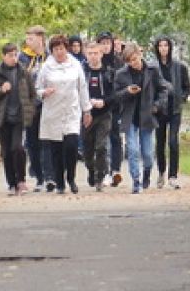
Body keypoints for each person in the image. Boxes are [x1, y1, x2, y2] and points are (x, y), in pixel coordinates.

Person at [34, 35, 91, 193]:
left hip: (71, 111)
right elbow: (37, 88)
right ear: (51, 51)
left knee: (72, 146)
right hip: (53, 112)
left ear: (66, 49)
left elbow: (82, 88)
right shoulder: (47, 66)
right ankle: (59, 182)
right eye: (56, 49)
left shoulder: (75, 64)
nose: (59, 52)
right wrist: (44, 92)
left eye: (62, 48)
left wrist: (86, 110)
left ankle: (71, 178)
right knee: (56, 150)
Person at [114, 45, 168, 193]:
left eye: (135, 59)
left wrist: (157, 106)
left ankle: (147, 173)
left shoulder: (152, 70)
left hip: (147, 115)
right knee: (132, 150)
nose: (133, 63)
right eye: (130, 61)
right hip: (130, 116)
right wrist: (127, 91)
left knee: (148, 154)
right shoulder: (121, 74)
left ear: (140, 55)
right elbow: (116, 96)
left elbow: (163, 89)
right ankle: (135, 180)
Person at [0, 42, 35, 193]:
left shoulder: (24, 72)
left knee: (17, 148)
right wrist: (1, 90)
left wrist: (30, 110)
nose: (14, 58)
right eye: (10, 55)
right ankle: (11, 182)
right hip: (2, 118)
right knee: (6, 151)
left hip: (19, 117)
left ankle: (21, 180)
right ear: (3, 56)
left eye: (16, 55)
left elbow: (32, 94)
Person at [153, 37, 190, 189]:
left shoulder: (179, 67)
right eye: (160, 46)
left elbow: (187, 87)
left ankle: (173, 175)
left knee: (173, 141)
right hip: (159, 110)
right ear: (157, 48)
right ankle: (161, 171)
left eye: (166, 45)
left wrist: (180, 97)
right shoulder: (153, 67)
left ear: (170, 48)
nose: (163, 48)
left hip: (174, 109)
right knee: (160, 142)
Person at [81, 40, 117, 190]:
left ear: (101, 54)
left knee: (101, 147)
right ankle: (91, 170)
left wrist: (104, 102)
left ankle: (100, 178)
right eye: (90, 54)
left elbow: (115, 94)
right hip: (87, 114)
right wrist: (87, 103)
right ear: (86, 55)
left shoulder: (109, 72)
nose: (93, 56)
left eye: (96, 53)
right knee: (87, 150)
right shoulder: (82, 72)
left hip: (104, 114)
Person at [19, 26, 47, 188]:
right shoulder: (23, 58)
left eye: (31, 38)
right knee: (32, 141)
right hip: (30, 105)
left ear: (40, 39)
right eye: (27, 38)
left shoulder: (48, 56)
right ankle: (38, 176)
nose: (28, 41)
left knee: (48, 141)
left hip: (47, 103)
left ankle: (50, 174)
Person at [97, 32, 125, 184]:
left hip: (115, 106)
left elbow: (121, 84)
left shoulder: (118, 62)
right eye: (103, 43)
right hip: (99, 107)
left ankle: (115, 170)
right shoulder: (96, 61)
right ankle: (104, 170)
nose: (106, 46)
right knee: (101, 140)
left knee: (115, 137)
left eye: (108, 43)